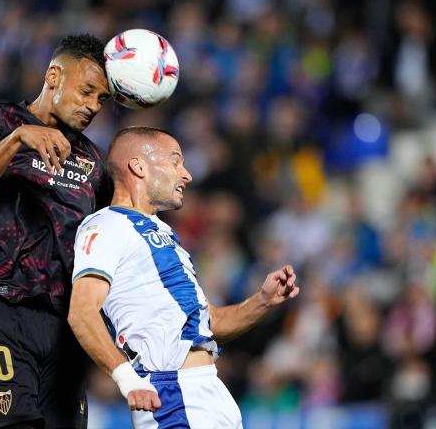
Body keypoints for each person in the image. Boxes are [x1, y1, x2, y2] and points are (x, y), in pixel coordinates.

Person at [68, 126, 300, 428]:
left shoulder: (163, 233)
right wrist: (126, 377)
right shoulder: (105, 226)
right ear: (138, 166)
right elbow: (81, 311)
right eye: (175, 161)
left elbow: (211, 323)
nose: (186, 174)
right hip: (171, 393)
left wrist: (262, 301)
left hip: (209, 390)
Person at [0, 34, 112, 428]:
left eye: (101, 99)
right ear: (53, 75)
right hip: (1, 307)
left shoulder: (92, 160)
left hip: (64, 326)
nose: (93, 106)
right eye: (87, 91)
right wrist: (17, 138)